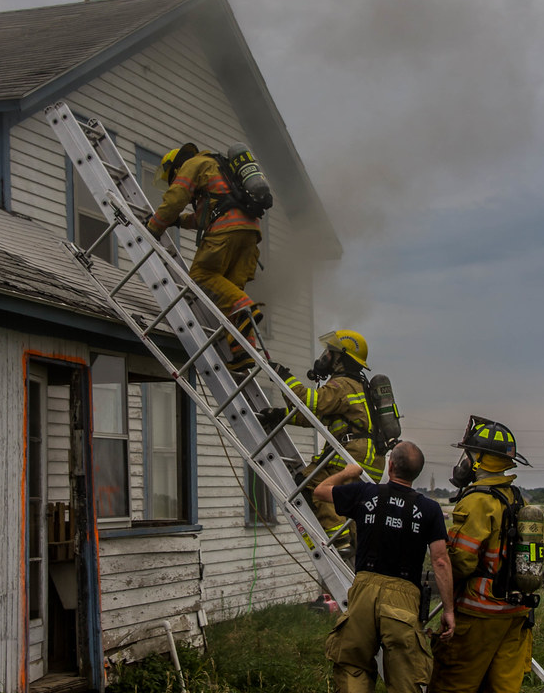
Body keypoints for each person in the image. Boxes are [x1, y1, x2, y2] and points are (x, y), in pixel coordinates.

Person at [314, 441, 455, 693]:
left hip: (364, 588)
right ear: (416, 474)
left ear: (391, 465)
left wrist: (350, 472)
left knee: (352, 661)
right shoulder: (430, 510)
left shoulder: (365, 495)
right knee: (405, 678)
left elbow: (320, 492)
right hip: (405, 597)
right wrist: (449, 610)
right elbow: (441, 560)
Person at [426, 415, 534, 693]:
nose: (465, 462)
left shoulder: (477, 501)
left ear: (478, 459)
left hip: (479, 610)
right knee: (502, 690)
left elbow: (462, 560)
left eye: (469, 454)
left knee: (453, 684)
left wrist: (439, 575)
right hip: (516, 612)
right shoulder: (516, 496)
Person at [264, 330, 386, 549]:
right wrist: (278, 415)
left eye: (329, 352)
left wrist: (283, 377)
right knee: (352, 506)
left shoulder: (342, 386)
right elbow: (313, 417)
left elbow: (310, 402)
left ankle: (339, 540)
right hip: (368, 457)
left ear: (340, 356)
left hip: (353, 454)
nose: (324, 357)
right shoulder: (355, 385)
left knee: (312, 485)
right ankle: (352, 542)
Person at [146, 142, 262, 372]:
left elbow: (176, 197)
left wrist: (153, 227)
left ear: (175, 167)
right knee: (228, 295)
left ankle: (248, 307)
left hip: (226, 232)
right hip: (250, 235)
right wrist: (178, 221)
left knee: (201, 275)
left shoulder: (194, 164)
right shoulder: (221, 170)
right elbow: (203, 216)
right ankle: (243, 352)